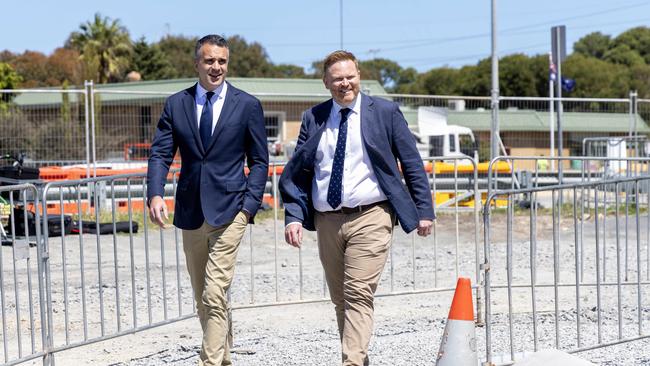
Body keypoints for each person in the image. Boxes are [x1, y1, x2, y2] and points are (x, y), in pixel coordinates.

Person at [279, 50, 434, 366]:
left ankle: (351, 361)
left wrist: (424, 209)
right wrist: (293, 216)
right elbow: (300, 171)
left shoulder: (385, 112)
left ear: (359, 76)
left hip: (372, 215)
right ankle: (357, 357)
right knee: (341, 299)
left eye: (350, 76)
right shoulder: (314, 117)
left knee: (358, 292)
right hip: (327, 220)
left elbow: (412, 162)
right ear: (326, 82)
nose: (345, 83)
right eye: (337, 79)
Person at [146, 34, 268, 366]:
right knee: (204, 297)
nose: (216, 67)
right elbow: (160, 154)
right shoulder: (177, 104)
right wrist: (155, 193)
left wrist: (249, 207)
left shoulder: (247, 105)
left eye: (222, 61)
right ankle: (224, 357)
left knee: (215, 291)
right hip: (190, 212)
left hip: (231, 211)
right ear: (197, 63)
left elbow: (259, 161)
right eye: (210, 61)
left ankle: (210, 362)